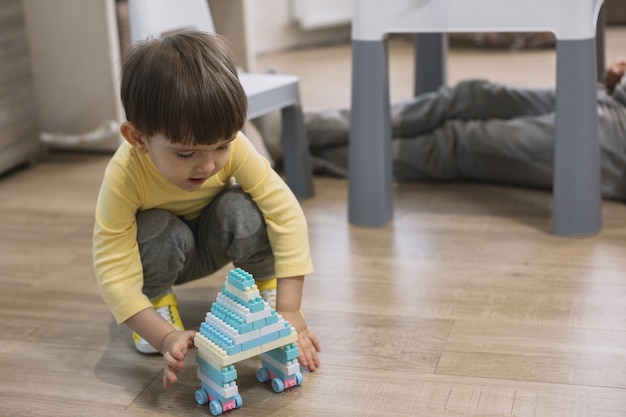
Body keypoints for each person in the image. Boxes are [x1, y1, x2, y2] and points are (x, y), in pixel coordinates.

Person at [92, 31, 320, 389]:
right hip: (162, 254)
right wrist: (164, 336)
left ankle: (266, 290)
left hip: (213, 240)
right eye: (186, 153)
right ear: (138, 138)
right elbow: (113, 268)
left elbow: (285, 212)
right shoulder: (124, 176)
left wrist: (290, 310)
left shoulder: (232, 147)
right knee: (154, 226)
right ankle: (159, 300)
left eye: (221, 147)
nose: (208, 166)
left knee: (243, 207)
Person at [302, 59, 626, 200]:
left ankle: (299, 151)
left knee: (457, 143)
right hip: (614, 96)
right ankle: (298, 129)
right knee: (466, 96)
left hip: (617, 139)